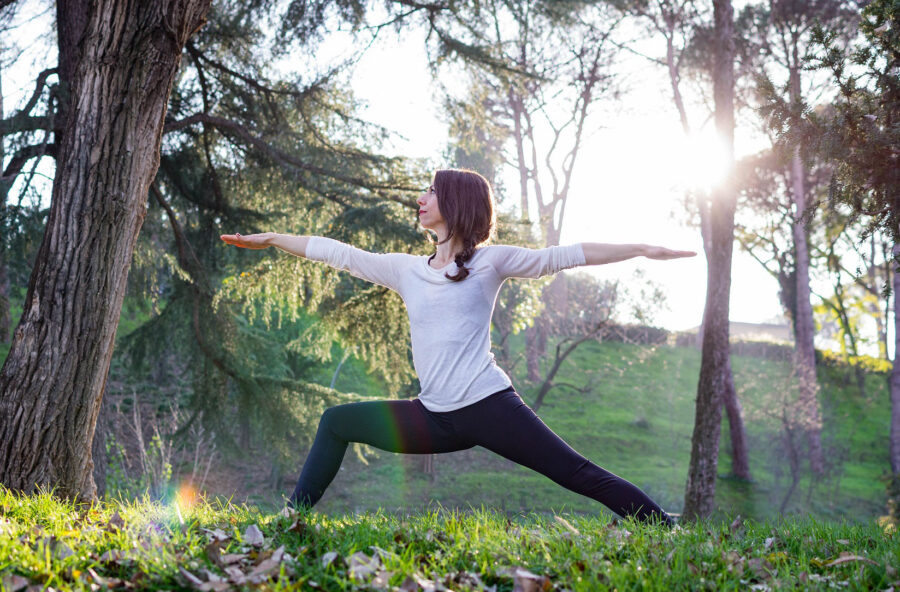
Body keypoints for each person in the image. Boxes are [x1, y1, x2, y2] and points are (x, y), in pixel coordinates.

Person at [221, 168, 695, 525]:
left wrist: (640, 248)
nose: (421, 198)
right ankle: (290, 520)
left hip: (489, 405)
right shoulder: (407, 269)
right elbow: (340, 254)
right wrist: (275, 239)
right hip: (434, 416)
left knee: (577, 473)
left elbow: (565, 255)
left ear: (456, 202)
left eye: (431, 191)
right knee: (336, 422)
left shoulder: (491, 262)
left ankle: (664, 528)